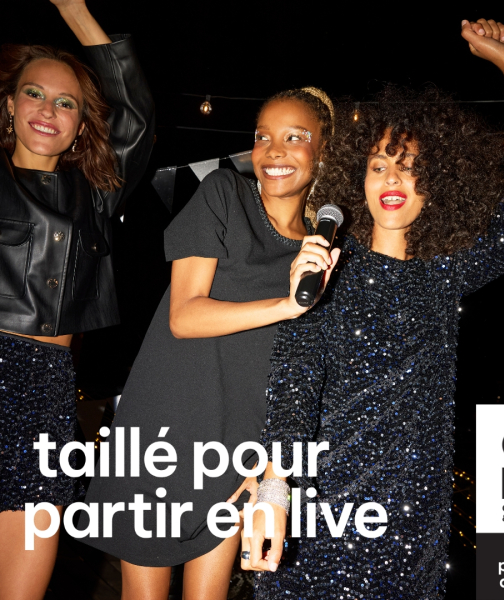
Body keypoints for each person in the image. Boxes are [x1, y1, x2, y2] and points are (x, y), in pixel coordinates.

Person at [246, 19, 504, 600]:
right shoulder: (327, 264)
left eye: (411, 166)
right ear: (358, 179)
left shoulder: (446, 271)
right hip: (321, 515)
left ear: (437, 185)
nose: (393, 177)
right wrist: (275, 489)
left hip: (408, 528)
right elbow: (296, 380)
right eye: (379, 164)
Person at [79, 87, 340, 600]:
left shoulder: (323, 250)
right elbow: (184, 315)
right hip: (165, 429)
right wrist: (288, 304)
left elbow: (300, 372)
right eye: (263, 137)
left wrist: (268, 469)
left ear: (324, 151)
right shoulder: (224, 193)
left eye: (295, 137)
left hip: (236, 451)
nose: (274, 150)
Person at [0, 1, 154, 598]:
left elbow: (135, 113)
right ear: (9, 105)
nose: (48, 110)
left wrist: (75, 10)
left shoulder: (96, 191)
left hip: (47, 387)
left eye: (66, 103)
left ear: (83, 123)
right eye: (34, 94)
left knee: (24, 582)